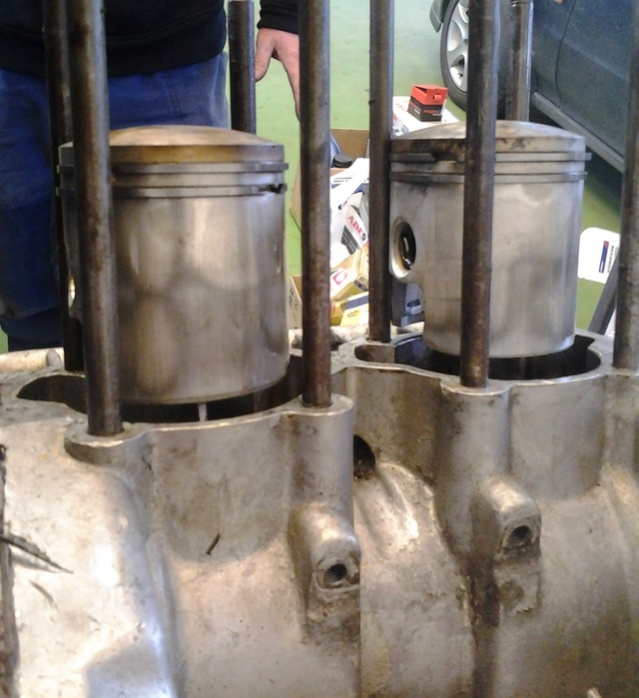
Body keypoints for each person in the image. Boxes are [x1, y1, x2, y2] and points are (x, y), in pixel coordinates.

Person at [0, 0, 299, 351]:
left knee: (186, 299)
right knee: (30, 301)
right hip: (11, 57)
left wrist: (287, 11)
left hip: (164, 49)